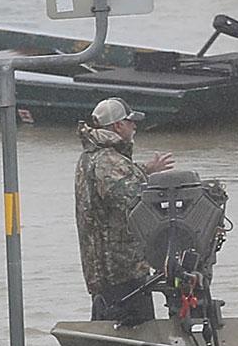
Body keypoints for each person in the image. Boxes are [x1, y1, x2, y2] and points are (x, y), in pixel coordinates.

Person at [74, 97, 175, 324]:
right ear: (118, 126)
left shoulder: (92, 156)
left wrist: (146, 169)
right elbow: (136, 203)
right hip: (121, 274)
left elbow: (114, 185)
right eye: (130, 122)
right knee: (135, 339)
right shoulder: (109, 161)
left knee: (106, 337)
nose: (134, 126)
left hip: (104, 274)